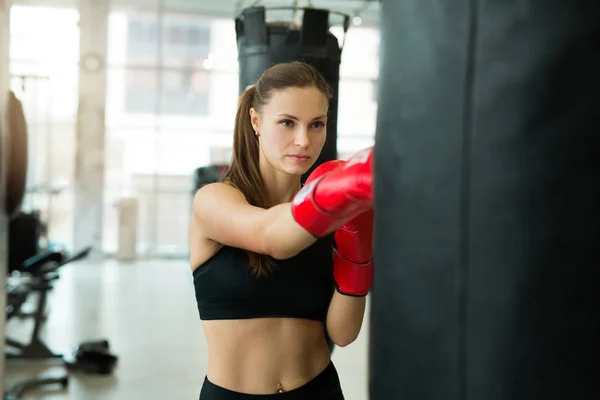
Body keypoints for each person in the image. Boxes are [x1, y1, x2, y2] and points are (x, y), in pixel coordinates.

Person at [189, 61, 375, 399]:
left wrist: (356, 256)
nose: (303, 140)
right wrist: (345, 189)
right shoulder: (214, 200)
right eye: (287, 123)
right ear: (256, 122)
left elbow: (343, 334)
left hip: (319, 390)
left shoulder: (332, 216)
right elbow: (272, 237)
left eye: (316, 124)